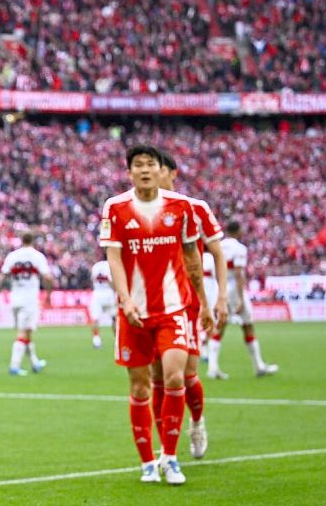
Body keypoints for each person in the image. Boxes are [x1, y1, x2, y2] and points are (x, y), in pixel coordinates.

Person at [99, 145, 214, 485]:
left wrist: (205, 303)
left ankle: (171, 458)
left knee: (175, 378)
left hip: (173, 309)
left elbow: (192, 257)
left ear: (158, 169)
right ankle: (147, 462)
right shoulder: (115, 207)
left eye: (150, 164)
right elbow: (113, 258)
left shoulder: (180, 207)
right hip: (133, 313)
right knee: (139, 386)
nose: (145, 169)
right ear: (129, 172)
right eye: (138, 164)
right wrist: (125, 301)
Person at [148, 150, 228, 459]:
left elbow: (217, 252)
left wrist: (220, 297)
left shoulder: (194, 208)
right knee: (157, 377)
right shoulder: (136, 209)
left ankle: (196, 422)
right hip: (152, 302)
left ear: (171, 173)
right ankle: (165, 447)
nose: (150, 174)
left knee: (186, 373)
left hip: (189, 301)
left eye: (156, 168)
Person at [207, 221, 279, 378]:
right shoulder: (239, 248)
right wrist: (240, 298)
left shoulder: (218, 246)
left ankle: (212, 367)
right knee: (248, 325)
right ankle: (258, 366)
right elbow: (239, 274)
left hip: (219, 288)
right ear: (238, 230)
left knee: (219, 327)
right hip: (233, 289)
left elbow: (214, 270)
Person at [0, 233, 53, 376]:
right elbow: (48, 277)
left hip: (15, 300)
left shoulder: (12, 256)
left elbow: (2, 276)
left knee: (27, 332)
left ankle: (35, 363)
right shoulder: (37, 256)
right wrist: (48, 295)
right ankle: (14, 366)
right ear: (33, 240)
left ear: (21, 240)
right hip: (29, 301)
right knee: (22, 333)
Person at [89, 259, 115, 349]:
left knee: (95, 319)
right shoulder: (110, 264)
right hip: (109, 293)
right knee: (114, 318)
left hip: (97, 293)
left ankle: (96, 340)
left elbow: (92, 279)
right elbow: (112, 280)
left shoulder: (95, 266)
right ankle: (117, 340)